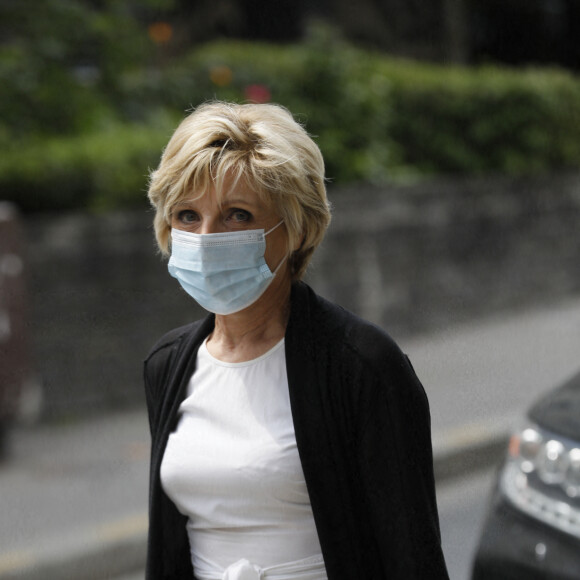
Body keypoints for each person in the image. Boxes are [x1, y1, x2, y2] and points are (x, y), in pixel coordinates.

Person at [144, 101, 449, 580]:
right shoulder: (168, 365)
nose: (205, 239)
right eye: (186, 215)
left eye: (237, 215)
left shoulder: (362, 365)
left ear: (297, 228)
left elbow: (411, 555)